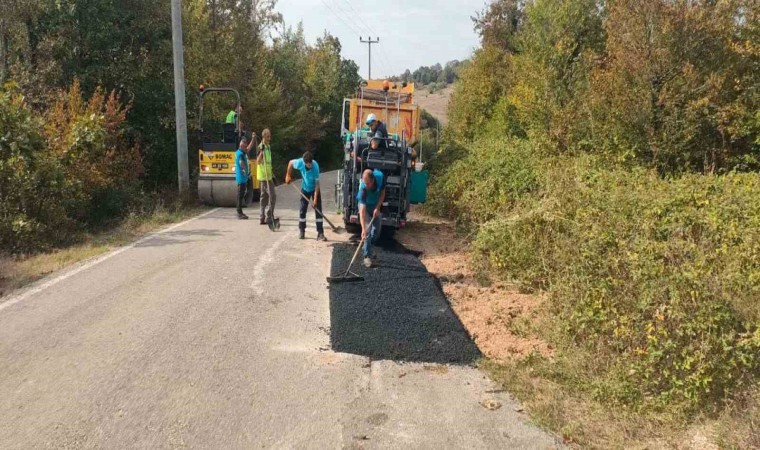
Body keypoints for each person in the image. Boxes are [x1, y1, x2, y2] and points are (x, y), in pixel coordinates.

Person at [285, 151, 326, 241]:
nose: (309, 165)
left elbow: (317, 185)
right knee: (302, 211)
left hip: (315, 189)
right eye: (308, 164)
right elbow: (290, 163)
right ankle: (302, 231)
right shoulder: (300, 162)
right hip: (305, 188)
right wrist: (288, 175)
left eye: (310, 163)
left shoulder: (315, 167)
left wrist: (315, 199)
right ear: (304, 162)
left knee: (318, 210)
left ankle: (320, 233)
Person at [357, 168, 385, 268]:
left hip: (375, 205)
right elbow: (362, 211)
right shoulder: (363, 189)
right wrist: (363, 229)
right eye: (365, 183)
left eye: (368, 183)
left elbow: (382, 193)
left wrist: (377, 207)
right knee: (367, 231)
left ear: (373, 180)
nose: (366, 185)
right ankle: (367, 256)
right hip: (364, 206)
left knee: (376, 231)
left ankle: (367, 246)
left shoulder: (380, 177)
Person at [257, 129, 276, 226]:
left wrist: (271, 172)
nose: (269, 138)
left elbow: (268, 162)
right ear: (264, 136)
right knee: (272, 196)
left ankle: (262, 217)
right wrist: (262, 151)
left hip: (268, 175)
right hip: (264, 177)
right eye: (268, 136)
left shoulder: (268, 146)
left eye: (270, 136)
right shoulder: (261, 147)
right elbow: (258, 161)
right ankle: (269, 216)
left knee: (263, 197)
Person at [235, 135, 255, 219]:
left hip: (243, 178)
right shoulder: (240, 154)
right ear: (242, 146)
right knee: (240, 195)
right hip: (241, 178)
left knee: (241, 194)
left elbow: (249, 148)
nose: (246, 148)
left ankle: (239, 211)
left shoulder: (241, 151)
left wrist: (253, 139)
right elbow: (240, 162)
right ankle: (239, 212)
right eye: (245, 147)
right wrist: (244, 171)